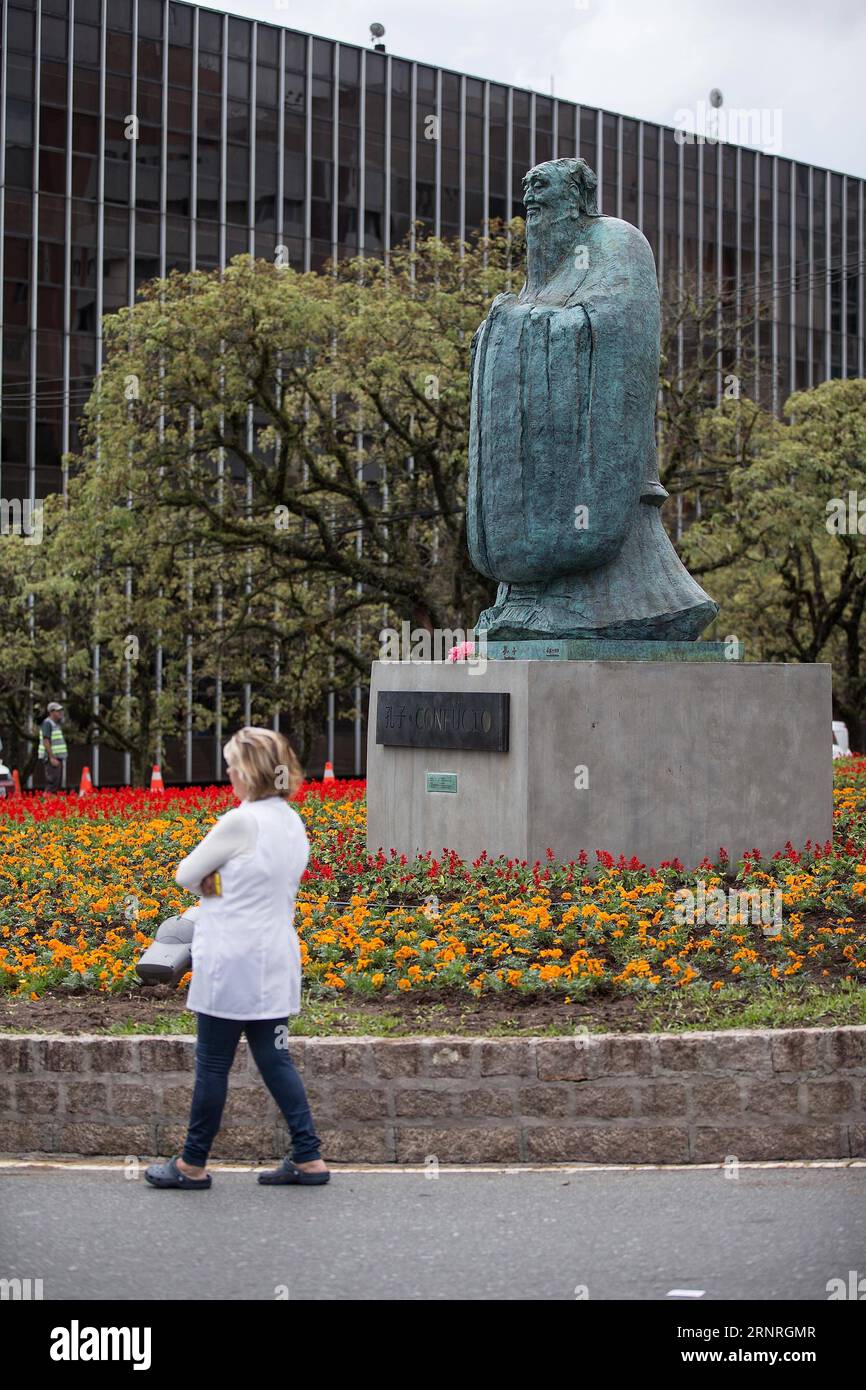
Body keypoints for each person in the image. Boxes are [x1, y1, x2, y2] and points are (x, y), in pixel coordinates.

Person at [144, 727, 329, 1191]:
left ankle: (191, 1164)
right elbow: (263, 880)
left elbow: (186, 874)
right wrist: (224, 881)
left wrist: (214, 882)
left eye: (232, 764)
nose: (227, 771)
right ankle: (308, 1158)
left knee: (211, 1064)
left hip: (231, 961)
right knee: (275, 1058)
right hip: (275, 958)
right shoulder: (291, 820)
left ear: (249, 771)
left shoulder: (241, 821)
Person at [38, 701, 67, 791]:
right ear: (51, 712)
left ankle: (49, 802)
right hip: (51, 759)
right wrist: (51, 757)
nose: (60, 713)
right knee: (52, 784)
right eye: (57, 711)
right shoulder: (48, 723)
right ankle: (46, 803)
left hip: (57, 758)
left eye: (60, 711)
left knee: (55, 784)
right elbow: (46, 740)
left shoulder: (55, 724)